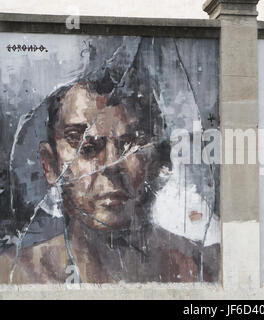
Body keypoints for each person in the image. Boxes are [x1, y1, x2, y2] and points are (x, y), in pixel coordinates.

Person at [0, 41, 219, 284]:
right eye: (86, 146)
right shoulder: (15, 273)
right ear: (50, 165)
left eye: (130, 144)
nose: (112, 165)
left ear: (158, 159)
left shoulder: (201, 267)